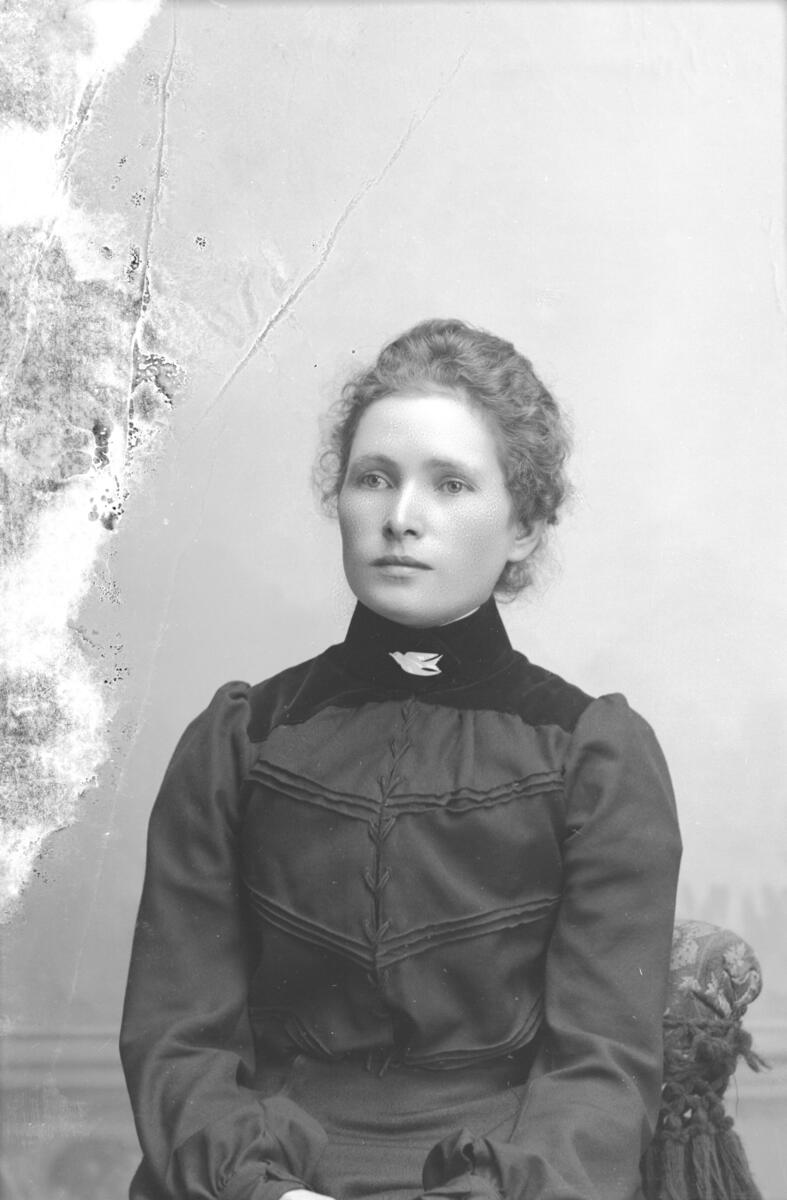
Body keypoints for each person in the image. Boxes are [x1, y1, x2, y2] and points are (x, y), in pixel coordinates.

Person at [120, 318, 682, 1200]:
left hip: (506, 1173)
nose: (400, 518)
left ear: (524, 525)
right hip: (252, 1169)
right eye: (373, 478)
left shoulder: (590, 755)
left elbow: (600, 1073)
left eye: (450, 484)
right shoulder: (242, 737)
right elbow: (177, 1036)